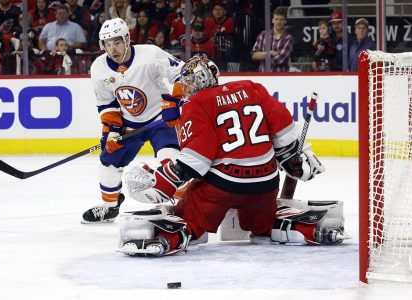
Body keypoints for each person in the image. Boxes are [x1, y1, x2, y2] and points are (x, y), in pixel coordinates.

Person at [118, 56, 344, 257]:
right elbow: (284, 131)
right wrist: (293, 161)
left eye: (187, 83)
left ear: (198, 82)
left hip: (223, 186)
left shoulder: (198, 103)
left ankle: (165, 240)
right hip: (265, 184)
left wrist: (162, 181)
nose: (185, 89)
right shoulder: (252, 88)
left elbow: (198, 158)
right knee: (264, 225)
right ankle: (312, 229)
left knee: (189, 217)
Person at [81, 17, 184, 223]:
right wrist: (110, 130)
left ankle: (185, 203)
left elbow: (182, 73)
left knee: (171, 160)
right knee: (108, 162)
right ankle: (110, 206)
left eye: (117, 42)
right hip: (129, 126)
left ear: (127, 39)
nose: (113, 49)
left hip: (159, 119)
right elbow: (106, 102)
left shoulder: (150, 54)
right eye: (108, 44)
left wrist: (173, 101)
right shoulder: (99, 67)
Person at [251, 7, 294, 72]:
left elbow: (280, 59)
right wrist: (270, 53)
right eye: (276, 19)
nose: (279, 22)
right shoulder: (263, 35)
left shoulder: (288, 38)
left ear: (285, 21)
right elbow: (254, 55)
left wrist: (262, 56)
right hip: (263, 76)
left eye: (281, 19)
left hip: (280, 77)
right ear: (272, 20)